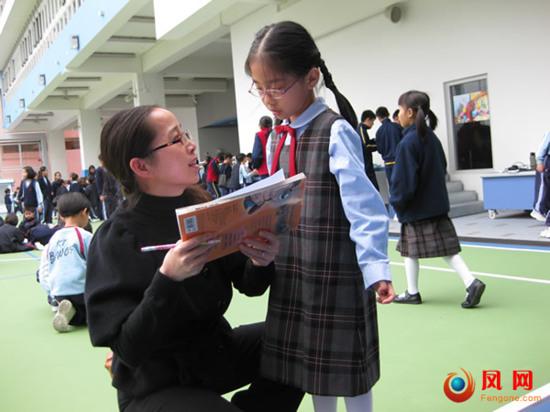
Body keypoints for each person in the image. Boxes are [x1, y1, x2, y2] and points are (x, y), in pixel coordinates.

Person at [85, 106, 304, 412]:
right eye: (176, 140)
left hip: (211, 356)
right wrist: (167, 279)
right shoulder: (116, 239)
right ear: (141, 166)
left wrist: (260, 261)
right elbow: (129, 348)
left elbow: (249, 285)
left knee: (303, 339)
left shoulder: (205, 211)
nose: (191, 144)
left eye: (185, 133)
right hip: (155, 383)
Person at [245, 21, 394, 412]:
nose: (266, 97)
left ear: (311, 77)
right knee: (313, 367)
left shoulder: (335, 130)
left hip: (336, 269)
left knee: (349, 367)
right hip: (293, 268)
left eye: (276, 86)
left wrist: (376, 267)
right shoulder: (278, 136)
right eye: (259, 87)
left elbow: (365, 205)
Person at [390, 90, 486, 308]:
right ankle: (470, 282)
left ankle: (413, 292)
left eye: (401, 110)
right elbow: (441, 169)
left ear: (411, 112)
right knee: (447, 251)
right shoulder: (431, 138)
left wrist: (397, 204)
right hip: (436, 206)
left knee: (409, 251)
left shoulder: (407, 143)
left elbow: (403, 183)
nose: (399, 115)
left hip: (416, 209)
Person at [38, 192, 92, 332]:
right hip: (82, 292)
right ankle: (80, 313)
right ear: (84, 212)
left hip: (59, 292)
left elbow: (46, 268)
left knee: (78, 314)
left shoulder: (53, 238)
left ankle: (68, 311)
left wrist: (51, 292)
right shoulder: (84, 236)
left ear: (61, 216)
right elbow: (97, 264)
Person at [375, 106, 402, 217]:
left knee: (392, 189)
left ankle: (396, 213)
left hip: (388, 163)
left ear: (378, 118)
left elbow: (380, 149)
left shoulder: (379, 132)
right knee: (402, 187)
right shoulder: (397, 127)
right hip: (400, 162)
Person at [357, 110, 379, 189]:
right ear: (367, 119)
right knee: (373, 186)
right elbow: (366, 146)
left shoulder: (362, 129)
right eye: (372, 121)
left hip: (366, 162)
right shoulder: (361, 129)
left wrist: (374, 141)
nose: (373, 124)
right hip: (365, 163)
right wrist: (378, 146)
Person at [531, 131, 550, 223]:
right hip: (548, 162)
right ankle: (538, 210)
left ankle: (545, 211)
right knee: (544, 188)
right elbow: (542, 148)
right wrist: (539, 161)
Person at [252, 116, 273, 180]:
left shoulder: (259, 134)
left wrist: (255, 166)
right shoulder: (276, 132)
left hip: (264, 169)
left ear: (260, 125)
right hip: (277, 167)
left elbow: (256, 155)